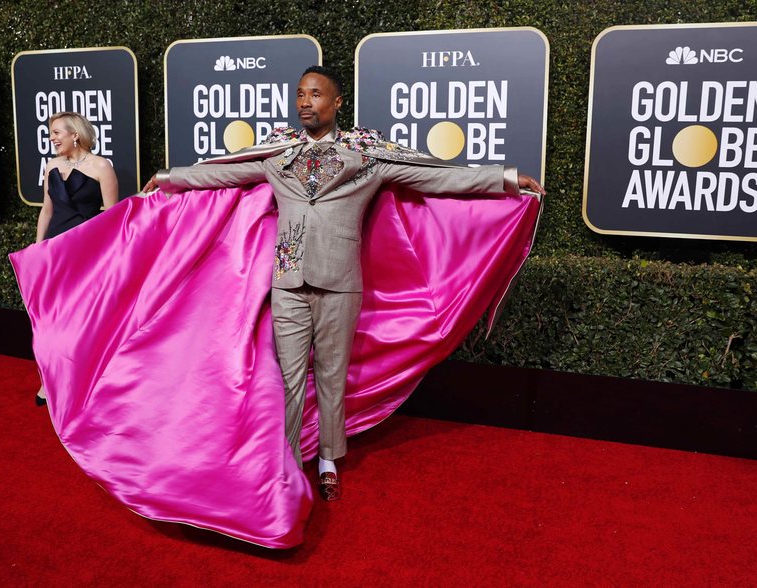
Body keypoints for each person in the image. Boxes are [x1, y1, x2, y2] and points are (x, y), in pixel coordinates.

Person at [142, 65, 544, 501]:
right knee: (289, 377)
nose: (304, 103)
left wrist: (503, 179)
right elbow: (222, 174)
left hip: (341, 282)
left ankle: (330, 458)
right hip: (288, 279)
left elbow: (439, 177)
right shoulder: (278, 154)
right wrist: (168, 179)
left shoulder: (367, 157)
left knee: (332, 376)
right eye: (299, 95)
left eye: (315, 95)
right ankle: (289, 464)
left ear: (336, 103)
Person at [33, 111, 119, 406]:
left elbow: (111, 215)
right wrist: (38, 249)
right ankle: (48, 380)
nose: (52, 138)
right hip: (54, 251)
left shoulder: (101, 167)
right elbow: (47, 210)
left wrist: (105, 256)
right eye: (51, 133)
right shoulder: (52, 166)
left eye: (57, 132)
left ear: (75, 134)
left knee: (80, 320)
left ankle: (82, 381)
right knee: (48, 319)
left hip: (86, 253)